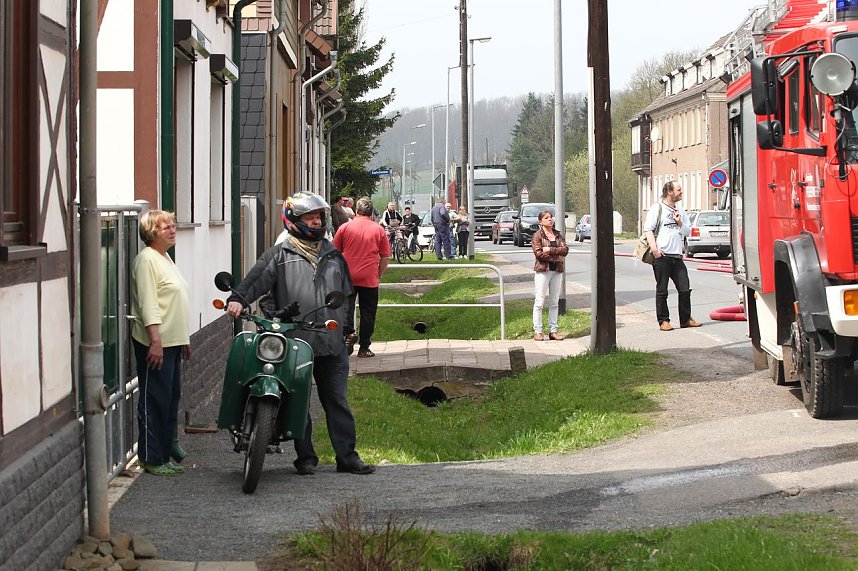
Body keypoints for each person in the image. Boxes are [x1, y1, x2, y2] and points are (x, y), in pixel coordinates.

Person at [225, 192, 375, 475]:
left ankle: (348, 457)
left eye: (319, 216)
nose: (316, 221)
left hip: (331, 343)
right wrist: (238, 299)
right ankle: (305, 457)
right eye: (310, 216)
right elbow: (255, 280)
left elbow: (346, 295)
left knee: (337, 402)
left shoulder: (333, 255)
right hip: (295, 343)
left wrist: (348, 330)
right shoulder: (279, 256)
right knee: (297, 401)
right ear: (294, 220)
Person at [131, 210, 191, 476]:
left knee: (169, 398)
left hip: (173, 341)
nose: (172, 230)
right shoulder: (147, 261)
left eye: (173, 225)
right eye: (166, 227)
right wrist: (155, 340)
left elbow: (174, 302)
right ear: (151, 232)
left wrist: (184, 338)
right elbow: (148, 303)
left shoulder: (165, 257)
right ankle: (151, 457)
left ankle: (165, 453)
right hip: (156, 342)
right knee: (155, 399)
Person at [333, 196, 391, 359]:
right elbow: (385, 256)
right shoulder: (378, 229)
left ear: (356, 210)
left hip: (347, 276)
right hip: (369, 277)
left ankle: (348, 336)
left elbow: (334, 252)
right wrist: (378, 273)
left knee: (346, 308)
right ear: (371, 212)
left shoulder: (345, 228)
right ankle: (364, 347)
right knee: (368, 312)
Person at [644, 180, 702, 331]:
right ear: (669, 191)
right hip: (662, 256)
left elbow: (688, 232)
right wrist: (655, 249)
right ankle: (664, 321)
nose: (681, 192)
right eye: (678, 190)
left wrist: (680, 223)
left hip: (677, 256)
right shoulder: (657, 208)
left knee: (684, 288)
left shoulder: (680, 210)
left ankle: (685, 319)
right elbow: (648, 230)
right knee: (662, 290)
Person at [531, 210, 569, 341]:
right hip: (543, 271)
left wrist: (550, 250)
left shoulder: (557, 235)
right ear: (540, 221)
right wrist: (556, 257)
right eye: (546, 218)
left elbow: (565, 250)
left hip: (556, 271)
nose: (550, 220)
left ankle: (553, 331)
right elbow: (538, 253)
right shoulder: (537, 236)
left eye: (551, 217)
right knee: (539, 301)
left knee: (554, 302)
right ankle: (538, 331)